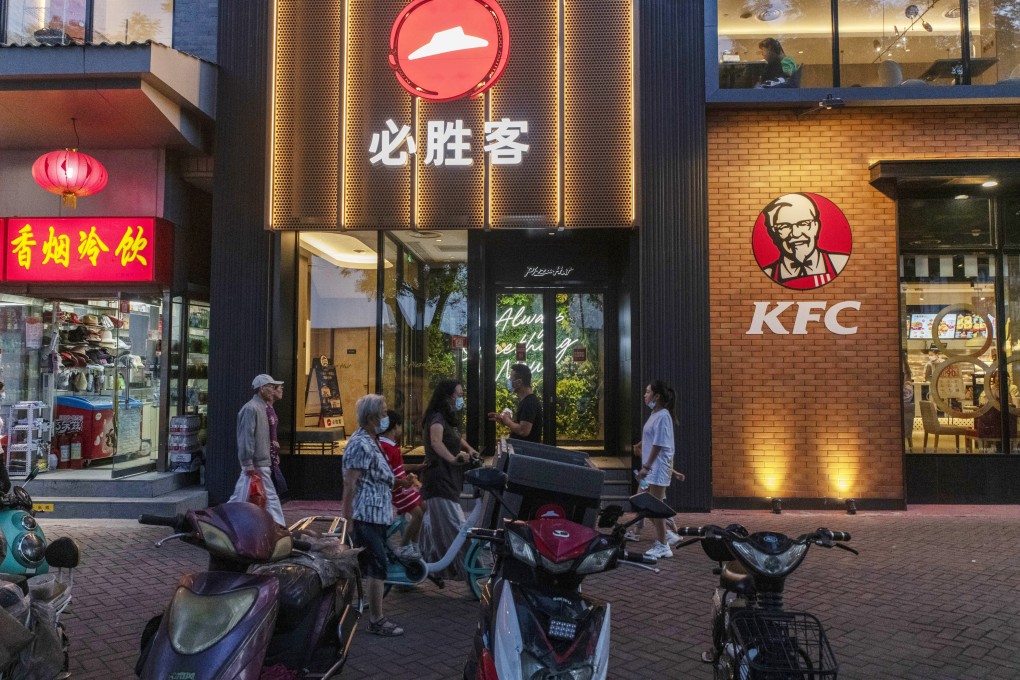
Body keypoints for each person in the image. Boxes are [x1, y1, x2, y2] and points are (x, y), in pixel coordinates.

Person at [341, 394, 403, 637]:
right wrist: (346, 520)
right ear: (371, 417)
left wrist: (400, 482)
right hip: (365, 515)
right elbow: (350, 484)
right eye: (384, 413)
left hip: (377, 514)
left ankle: (352, 609)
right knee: (377, 564)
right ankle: (376, 620)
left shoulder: (372, 440)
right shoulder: (360, 443)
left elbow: (379, 476)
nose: (387, 417)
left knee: (364, 564)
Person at [418, 379, 480, 579]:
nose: (461, 398)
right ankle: (471, 571)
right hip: (439, 479)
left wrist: (469, 449)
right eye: (459, 395)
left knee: (434, 528)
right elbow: (436, 442)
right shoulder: (436, 418)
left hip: (449, 479)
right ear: (447, 396)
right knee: (455, 525)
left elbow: (455, 437)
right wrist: (453, 459)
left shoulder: (447, 418)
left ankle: (424, 567)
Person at [635, 380, 684, 560]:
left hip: (656, 469)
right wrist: (641, 444)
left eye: (647, 392)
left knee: (653, 506)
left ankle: (664, 545)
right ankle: (666, 534)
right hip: (652, 468)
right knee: (642, 502)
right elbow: (652, 437)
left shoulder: (663, 415)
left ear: (657, 396)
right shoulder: (655, 414)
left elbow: (659, 444)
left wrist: (646, 467)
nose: (644, 395)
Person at [228, 374, 285, 526]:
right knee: (269, 496)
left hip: (259, 461)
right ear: (262, 389)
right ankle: (280, 526)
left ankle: (228, 518)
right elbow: (247, 437)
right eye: (270, 387)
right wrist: (247, 462)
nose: (273, 390)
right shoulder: (252, 408)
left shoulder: (259, 407)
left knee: (241, 495)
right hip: (258, 461)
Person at [761, 193, 849, 289]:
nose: (796, 233)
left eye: (803, 224)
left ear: (816, 226)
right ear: (773, 233)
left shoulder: (839, 262)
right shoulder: (768, 273)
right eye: (784, 226)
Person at [378, 410, 424, 559]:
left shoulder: (391, 446)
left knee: (423, 508)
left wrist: (416, 468)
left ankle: (414, 544)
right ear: (394, 427)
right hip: (398, 489)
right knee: (418, 514)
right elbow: (387, 473)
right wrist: (402, 482)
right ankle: (404, 546)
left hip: (403, 486)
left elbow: (398, 467)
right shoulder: (385, 447)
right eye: (400, 426)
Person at [487, 363, 543, 442]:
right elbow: (521, 425)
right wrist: (504, 420)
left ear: (519, 382)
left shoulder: (529, 403)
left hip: (524, 452)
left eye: (511, 379)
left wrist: (509, 422)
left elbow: (523, 431)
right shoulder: (525, 401)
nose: (509, 381)